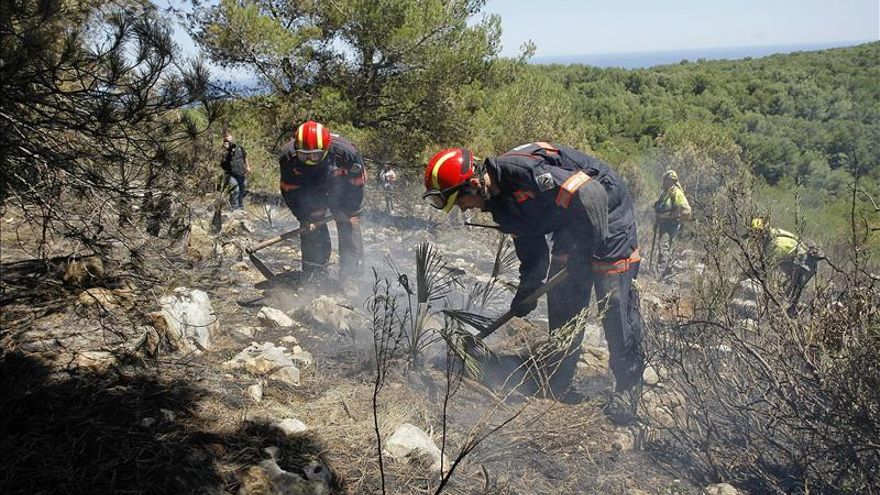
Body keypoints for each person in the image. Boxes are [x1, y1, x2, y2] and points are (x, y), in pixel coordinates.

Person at [422, 142, 644, 424]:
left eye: (461, 202)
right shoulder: (499, 206)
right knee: (563, 295)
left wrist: (586, 250)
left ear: (474, 184)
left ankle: (628, 386)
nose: (466, 210)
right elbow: (531, 247)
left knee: (613, 300)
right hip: (570, 219)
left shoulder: (522, 171)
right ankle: (560, 379)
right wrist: (527, 290)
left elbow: (591, 193)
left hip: (605, 207)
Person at [278, 120, 365, 276]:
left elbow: (357, 184)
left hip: (341, 188)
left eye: (316, 155)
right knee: (312, 225)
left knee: (349, 223)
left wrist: (349, 210)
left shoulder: (346, 154)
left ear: (326, 150)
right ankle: (314, 274)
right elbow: (289, 191)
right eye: (304, 156)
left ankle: (352, 277)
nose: (310, 161)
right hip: (310, 189)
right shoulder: (288, 157)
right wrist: (303, 216)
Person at [748, 217, 823, 316]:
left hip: (805, 263)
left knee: (792, 295)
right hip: (796, 261)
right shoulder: (774, 232)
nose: (754, 238)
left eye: (755, 234)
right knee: (787, 291)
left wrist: (748, 274)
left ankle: (790, 318)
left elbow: (766, 267)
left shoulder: (776, 244)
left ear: (762, 232)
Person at [653, 169, 692, 281]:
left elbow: (686, 210)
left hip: (671, 224)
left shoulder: (676, 192)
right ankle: (668, 270)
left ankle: (660, 273)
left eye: (666, 180)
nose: (664, 182)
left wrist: (673, 216)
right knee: (666, 246)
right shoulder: (665, 193)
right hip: (663, 223)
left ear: (670, 180)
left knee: (663, 246)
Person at [220, 132, 251, 210]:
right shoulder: (224, 151)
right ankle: (234, 208)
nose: (230, 142)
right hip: (231, 174)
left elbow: (245, 156)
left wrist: (248, 166)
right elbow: (222, 163)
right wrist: (227, 150)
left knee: (242, 189)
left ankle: (240, 206)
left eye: (231, 140)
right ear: (224, 141)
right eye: (228, 141)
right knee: (235, 190)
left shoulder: (239, 147)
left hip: (241, 172)